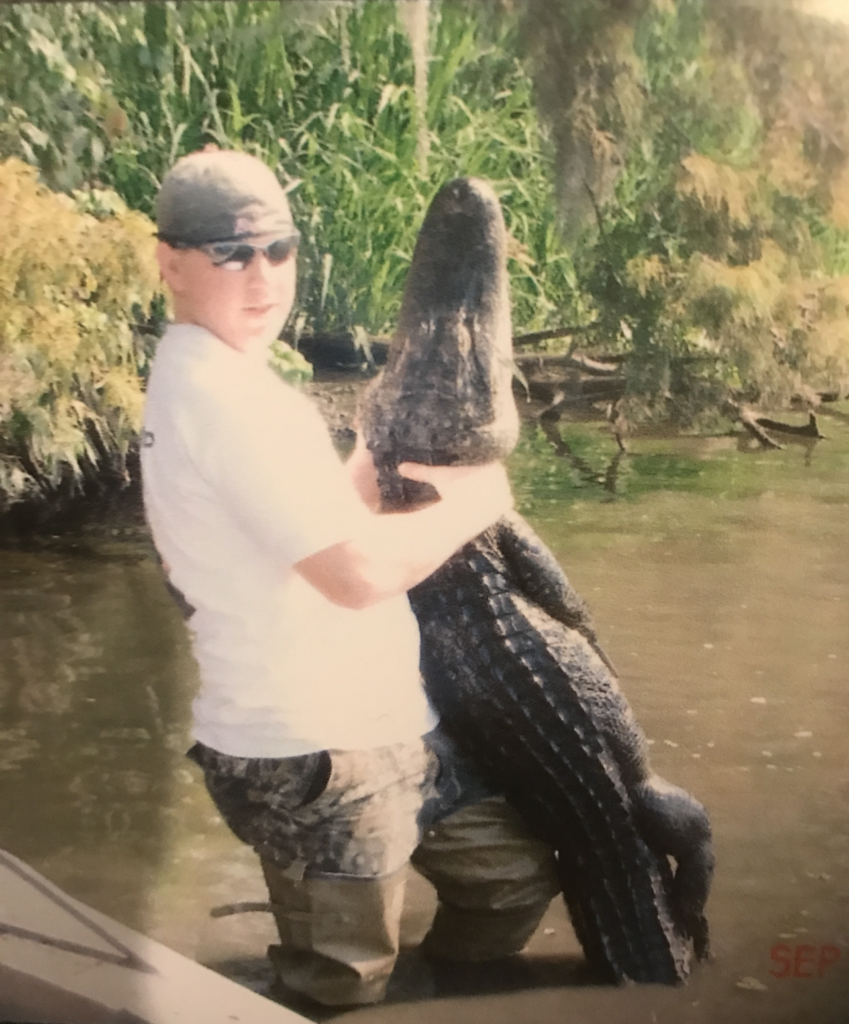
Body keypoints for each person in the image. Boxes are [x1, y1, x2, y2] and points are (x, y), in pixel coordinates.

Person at [141, 148, 559, 1008]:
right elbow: (357, 575)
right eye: (229, 252)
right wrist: (477, 503)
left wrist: (372, 449)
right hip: (311, 751)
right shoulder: (218, 399)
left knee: (511, 882)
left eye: (278, 249)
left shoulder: (230, 380)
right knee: (341, 983)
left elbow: (310, 527)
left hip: (393, 727)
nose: (261, 275)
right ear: (169, 262)